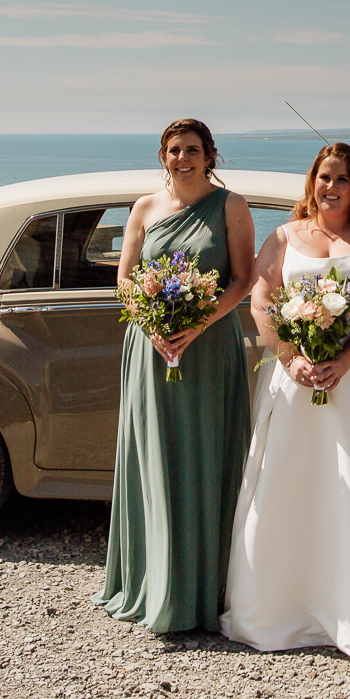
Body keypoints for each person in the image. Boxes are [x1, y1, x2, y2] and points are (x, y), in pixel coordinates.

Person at [220, 143, 350, 671]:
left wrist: (347, 359)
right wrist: (290, 359)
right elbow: (262, 302)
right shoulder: (284, 238)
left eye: (340, 179)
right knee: (293, 482)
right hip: (297, 379)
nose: (329, 187)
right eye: (322, 177)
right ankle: (284, 605)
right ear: (311, 182)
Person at [96, 119, 257, 633]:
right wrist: (155, 327)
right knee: (156, 456)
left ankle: (208, 588)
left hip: (209, 348)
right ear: (162, 156)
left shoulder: (232, 206)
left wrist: (195, 325)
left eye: (192, 150)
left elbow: (242, 279)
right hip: (150, 347)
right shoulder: (144, 208)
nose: (182, 158)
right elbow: (124, 280)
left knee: (207, 454)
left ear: (210, 155)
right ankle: (156, 582)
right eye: (173, 150)